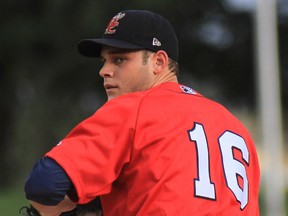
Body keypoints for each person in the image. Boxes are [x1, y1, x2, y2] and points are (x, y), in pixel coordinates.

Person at [24, 10, 260, 216]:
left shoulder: (133, 109)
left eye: (119, 59)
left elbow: (43, 184)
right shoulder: (236, 127)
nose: (104, 70)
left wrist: (56, 208)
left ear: (158, 62)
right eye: (104, 60)